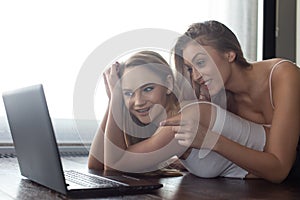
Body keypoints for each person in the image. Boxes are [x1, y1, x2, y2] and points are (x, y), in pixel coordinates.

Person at [161, 20, 300, 183]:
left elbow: (279, 170)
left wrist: (212, 140)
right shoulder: (220, 98)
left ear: (229, 54)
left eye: (201, 62)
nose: (196, 76)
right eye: (190, 69)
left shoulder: (283, 75)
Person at [88, 50, 266, 177]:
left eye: (148, 88)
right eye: (128, 93)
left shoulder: (183, 120)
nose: (138, 101)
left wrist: (117, 99)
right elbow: (96, 164)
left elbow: (113, 167)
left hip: (290, 173)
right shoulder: (166, 122)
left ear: (169, 84)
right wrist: (113, 101)